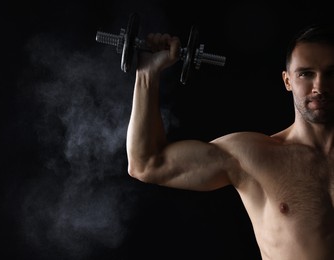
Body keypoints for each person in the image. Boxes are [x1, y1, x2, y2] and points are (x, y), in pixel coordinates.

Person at [126, 22, 334, 260]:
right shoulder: (254, 156)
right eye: (306, 74)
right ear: (287, 81)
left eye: (331, 73)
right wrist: (146, 75)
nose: (319, 86)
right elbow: (146, 164)